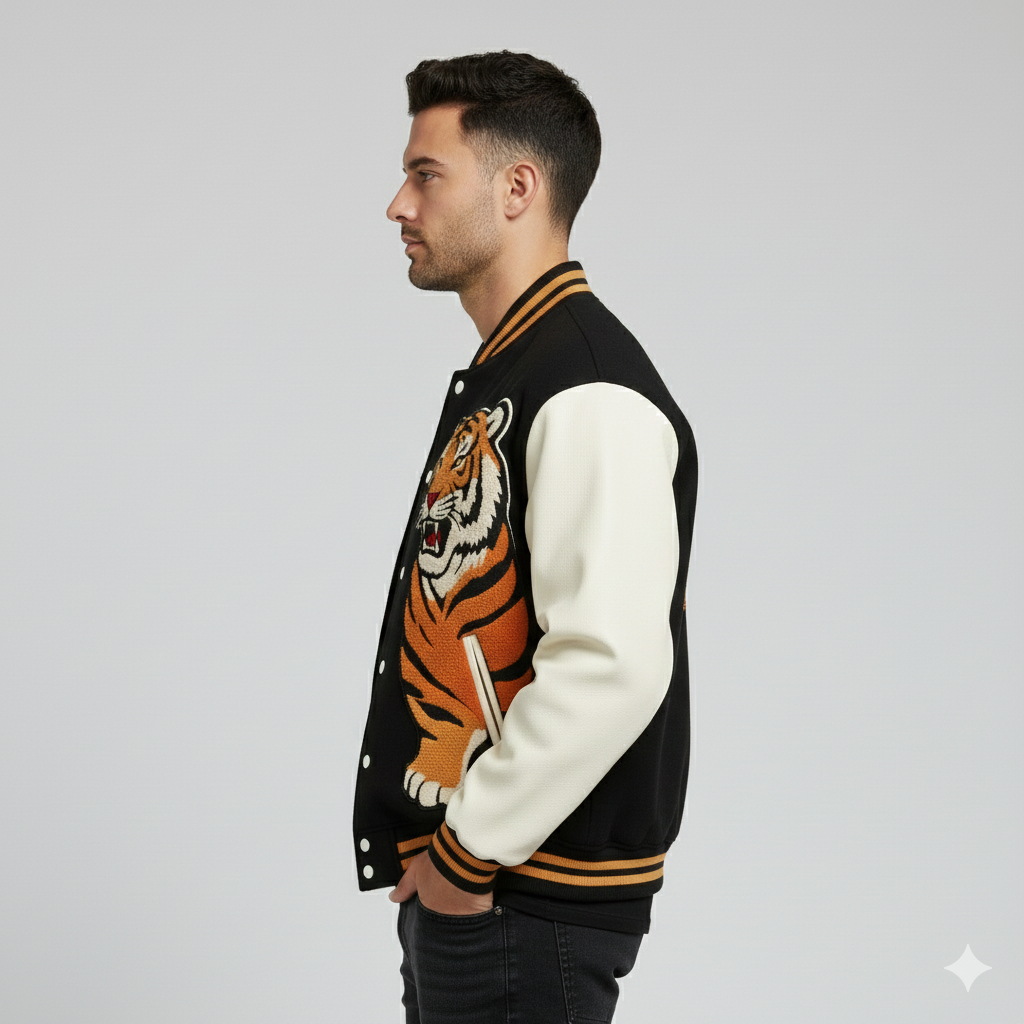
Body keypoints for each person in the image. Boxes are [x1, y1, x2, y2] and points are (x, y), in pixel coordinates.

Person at [352, 50, 698, 1023]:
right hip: (491, 888)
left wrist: (467, 853)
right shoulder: (522, 369)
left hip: (521, 900)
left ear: (517, 188)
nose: (398, 204)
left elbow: (612, 662)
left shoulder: (586, 385)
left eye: (426, 175)